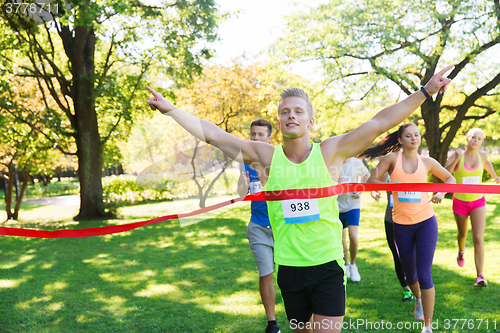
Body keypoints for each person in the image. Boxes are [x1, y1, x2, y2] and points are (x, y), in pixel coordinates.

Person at [145, 66, 452, 333]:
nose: (291, 115)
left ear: (310, 121)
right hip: (289, 268)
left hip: (328, 265)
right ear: (278, 121)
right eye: (284, 112)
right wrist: (171, 109)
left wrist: (425, 91)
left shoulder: (330, 152)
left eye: (298, 111)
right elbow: (214, 135)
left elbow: (379, 122)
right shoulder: (264, 156)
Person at [362, 123, 455, 333]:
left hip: (425, 222)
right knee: (410, 275)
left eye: (416, 134)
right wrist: (388, 187)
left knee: (424, 274)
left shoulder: (428, 162)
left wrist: (441, 192)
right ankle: (418, 298)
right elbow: (371, 180)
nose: (414, 138)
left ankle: (428, 326)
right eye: (408, 135)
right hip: (401, 226)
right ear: (401, 140)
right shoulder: (392, 159)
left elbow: (450, 178)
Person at [237, 118, 280, 333]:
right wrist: (242, 189)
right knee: (265, 273)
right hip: (257, 227)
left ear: (269, 138)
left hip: (282, 228)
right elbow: (242, 192)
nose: (255, 138)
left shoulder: (280, 159)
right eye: (253, 134)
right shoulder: (246, 162)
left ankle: (298, 316)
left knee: (290, 275)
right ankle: (272, 323)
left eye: (260, 134)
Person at [444, 128, 500, 287]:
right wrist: (453, 159)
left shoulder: (483, 156)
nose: (476, 140)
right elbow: (445, 173)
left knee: (478, 237)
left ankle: (480, 275)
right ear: (467, 138)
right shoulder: (458, 155)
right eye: (473, 137)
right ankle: (461, 251)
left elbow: (487, 164)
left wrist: (495, 176)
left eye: (479, 138)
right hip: (460, 202)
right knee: (462, 233)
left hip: (478, 202)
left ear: (482, 141)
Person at [371, 176, 414, 302]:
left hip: (411, 219)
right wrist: (374, 193)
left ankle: (417, 285)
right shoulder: (387, 172)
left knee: (411, 255)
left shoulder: (411, 169)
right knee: (397, 255)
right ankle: (406, 289)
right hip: (391, 220)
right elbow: (373, 186)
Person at [337, 157, 369, 282]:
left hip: (352, 205)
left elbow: (366, 175)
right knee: (341, 239)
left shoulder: (356, 162)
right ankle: (347, 264)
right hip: (337, 206)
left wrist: (360, 191)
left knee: (353, 236)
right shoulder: (335, 161)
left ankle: (354, 264)